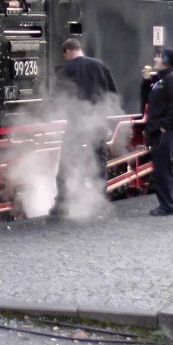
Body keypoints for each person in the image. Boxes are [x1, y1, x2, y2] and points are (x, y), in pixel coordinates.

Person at [52, 38, 118, 215]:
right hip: (98, 120)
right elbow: (112, 93)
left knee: (67, 159)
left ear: (67, 51)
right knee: (99, 160)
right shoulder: (100, 65)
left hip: (76, 123)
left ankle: (63, 202)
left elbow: (59, 98)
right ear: (79, 48)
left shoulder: (67, 70)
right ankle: (100, 202)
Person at [145, 47, 173, 216]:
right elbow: (148, 100)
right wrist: (145, 81)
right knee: (161, 168)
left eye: (158, 56)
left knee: (163, 169)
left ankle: (167, 205)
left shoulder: (171, 79)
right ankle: (169, 202)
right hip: (158, 130)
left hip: (164, 131)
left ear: (166, 60)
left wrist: (164, 125)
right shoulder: (160, 80)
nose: (155, 59)